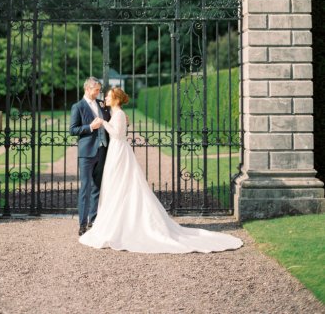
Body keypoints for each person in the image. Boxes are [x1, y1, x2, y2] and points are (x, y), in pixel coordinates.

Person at [79, 87, 243, 254]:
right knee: (115, 185)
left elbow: (117, 134)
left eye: (108, 95)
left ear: (116, 98)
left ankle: (125, 225)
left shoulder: (119, 114)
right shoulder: (115, 114)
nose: (105, 97)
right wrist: (105, 120)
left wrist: (103, 123)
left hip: (119, 151)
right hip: (115, 152)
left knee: (122, 184)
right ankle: (116, 222)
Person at [69, 77, 111, 237]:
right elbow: (73, 130)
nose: (99, 92)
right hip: (86, 154)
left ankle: (94, 221)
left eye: (99, 90)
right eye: (96, 90)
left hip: (102, 150)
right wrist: (90, 127)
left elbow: (111, 120)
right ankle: (82, 224)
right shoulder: (78, 107)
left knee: (97, 188)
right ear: (88, 89)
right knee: (85, 188)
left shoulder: (102, 103)